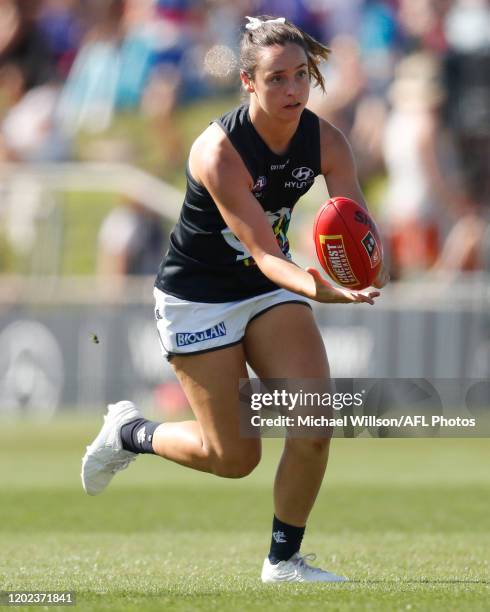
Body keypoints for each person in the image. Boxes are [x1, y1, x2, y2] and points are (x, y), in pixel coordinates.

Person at [81, 15, 388, 583]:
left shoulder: (326, 140)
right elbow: (270, 254)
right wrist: (322, 288)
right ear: (248, 83)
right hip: (200, 300)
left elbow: (356, 222)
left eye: (301, 76)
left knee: (314, 421)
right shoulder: (217, 151)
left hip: (267, 289)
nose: (293, 89)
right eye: (276, 79)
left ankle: (283, 561)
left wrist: (370, 263)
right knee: (234, 459)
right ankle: (131, 433)